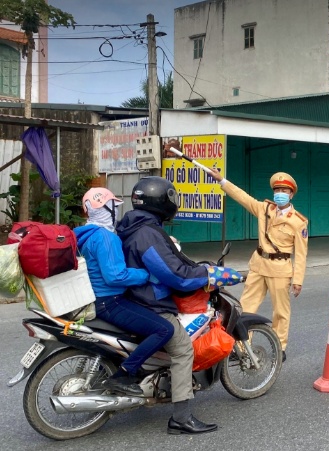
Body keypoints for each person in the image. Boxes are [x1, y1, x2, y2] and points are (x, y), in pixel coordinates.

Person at [116, 176, 241, 435]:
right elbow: (177, 276)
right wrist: (208, 275)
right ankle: (181, 418)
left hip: (134, 297)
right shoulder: (147, 234)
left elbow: (173, 262)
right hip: (151, 301)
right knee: (183, 349)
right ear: (162, 200)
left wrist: (199, 268)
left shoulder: (134, 226)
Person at [204, 157, 308, 363]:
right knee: (245, 306)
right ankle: (243, 344)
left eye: (284, 191)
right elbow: (242, 197)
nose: (279, 194)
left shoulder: (298, 222)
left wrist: (298, 280)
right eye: (277, 190)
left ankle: (280, 346)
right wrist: (221, 180)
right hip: (259, 265)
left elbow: (302, 253)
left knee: (281, 311)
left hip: (280, 268)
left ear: (291, 194)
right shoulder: (264, 209)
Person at [74, 188, 174, 396]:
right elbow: (115, 276)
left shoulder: (85, 233)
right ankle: (125, 374)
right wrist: (145, 274)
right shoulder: (105, 237)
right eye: (113, 207)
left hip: (96, 298)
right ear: (106, 208)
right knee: (164, 329)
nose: (116, 211)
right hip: (110, 301)